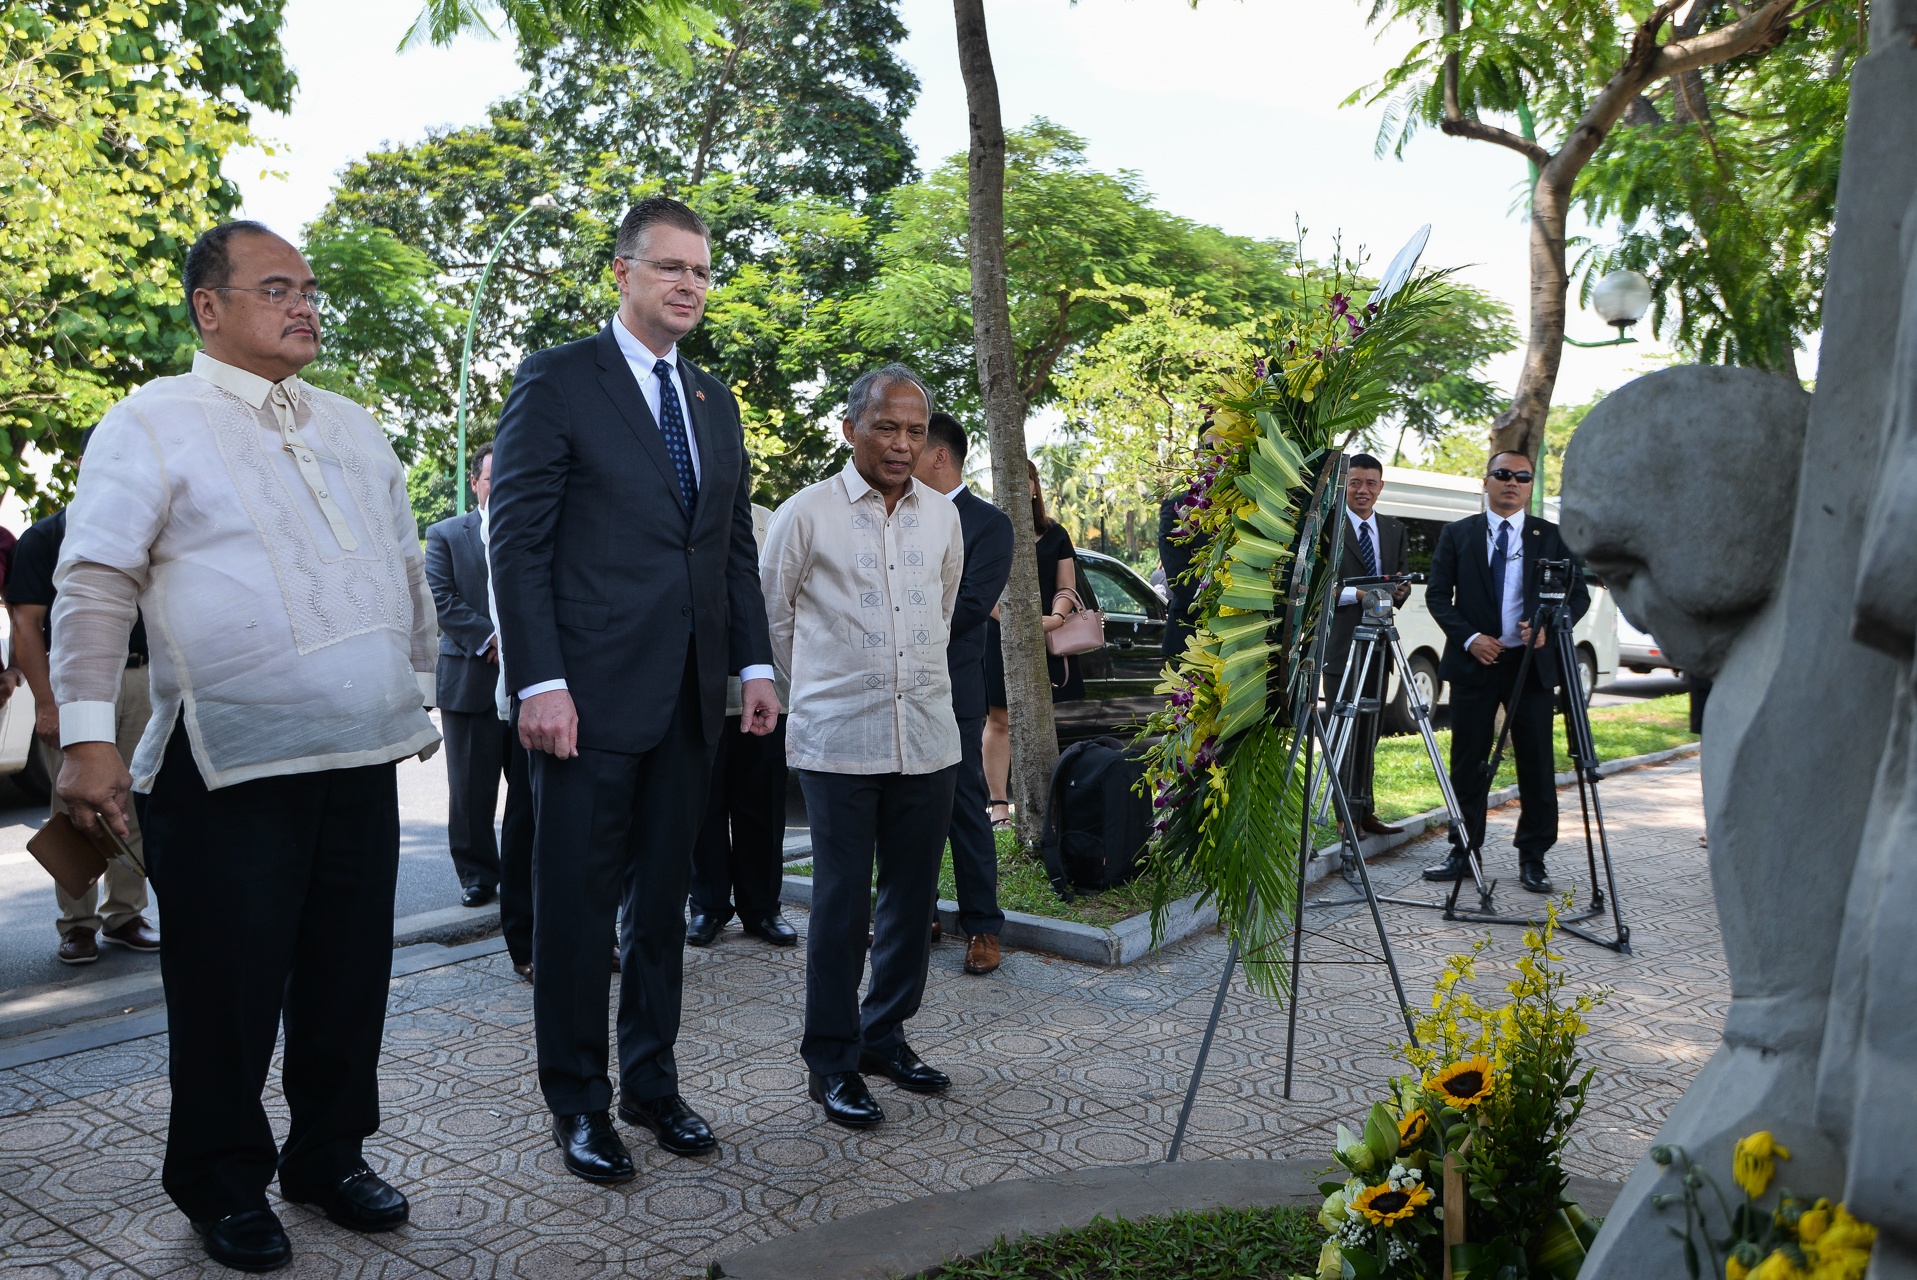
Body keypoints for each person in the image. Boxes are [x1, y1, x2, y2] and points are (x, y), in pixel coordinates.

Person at [52, 221, 436, 1271]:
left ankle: (329, 1155)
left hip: (357, 756)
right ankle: (223, 1180)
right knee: (228, 988)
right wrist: (87, 738)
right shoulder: (151, 422)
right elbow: (93, 580)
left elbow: (406, 566)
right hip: (223, 765)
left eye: (310, 289)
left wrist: (416, 691)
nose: (306, 304)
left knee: (348, 976)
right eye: (277, 288)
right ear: (207, 307)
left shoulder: (354, 425)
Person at [488, 196, 779, 1185]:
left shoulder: (712, 402)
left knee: (661, 909)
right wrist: (541, 679)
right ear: (622, 273)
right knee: (575, 914)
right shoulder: (559, 381)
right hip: (585, 705)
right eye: (670, 268)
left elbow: (731, 544)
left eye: (701, 270)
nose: (690, 285)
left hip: (692, 704)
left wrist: (754, 663)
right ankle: (577, 1100)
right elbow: (517, 542)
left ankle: (652, 1081)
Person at [761, 363, 965, 1130]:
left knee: (911, 900)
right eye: (886, 426)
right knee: (842, 908)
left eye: (915, 431)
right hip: (836, 741)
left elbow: (940, 612)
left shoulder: (942, 517)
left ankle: (885, 1035)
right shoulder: (804, 514)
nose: (902, 443)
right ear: (850, 429)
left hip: (925, 737)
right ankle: (832, 1060)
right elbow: (774, 621)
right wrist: (826, 686)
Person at [8, 477, 160, 965]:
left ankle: (125, 914)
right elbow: (24, 624)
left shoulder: (146, 531)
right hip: (71, 682)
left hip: (139, 677)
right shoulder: (46, 536)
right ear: (84, 465)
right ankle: (77, 925)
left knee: (133, 799)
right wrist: (46, 704)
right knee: (75, 804)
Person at [1421, 452, 1590, 893]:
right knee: (1468, 763)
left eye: (1521, 477)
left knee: (1536, 763)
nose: (1511, 482)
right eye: (1502, 475)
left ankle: (1533, 857)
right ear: (1486, 481)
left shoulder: (1552, 537)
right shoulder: (1458, 534)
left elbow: (1578, 599)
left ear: (1530, 485)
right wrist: (1471, 637)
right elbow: (1438, 596)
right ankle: (1463, 849)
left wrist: (1546, 629)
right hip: (1475, 664)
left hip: (1531, 670)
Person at [912, 411, 1013, 976]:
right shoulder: (894, 512)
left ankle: (982, 927)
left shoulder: (989, 524)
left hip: (954, 689)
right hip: (895, 688)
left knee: (963, 808)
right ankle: (914, 913)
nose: (900, 455)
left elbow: (972, 606)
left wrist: (905, 620)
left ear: (940, 455)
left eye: (913, 444)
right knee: (904, 809)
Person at [686, 502, 799, 949]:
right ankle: (708, 906)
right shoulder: (685, 512)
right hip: (700, 687)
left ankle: (763, 908)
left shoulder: (768, 519)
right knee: (703, 805)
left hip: (765, 689)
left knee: (763, 805)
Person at [424, 442, 529, 911]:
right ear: (475, 483)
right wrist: (492, 640)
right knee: (470, 791)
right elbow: (441, 599)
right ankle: (477, 874)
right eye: (491, 479)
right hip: (470, 680)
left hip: (526, 685)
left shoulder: (532, 532)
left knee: (528, 792)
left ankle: (525, 872)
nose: (499, 487)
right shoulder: (446, 534)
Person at [982, 461, 1084, 825]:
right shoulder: (991, 529)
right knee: (1000, 719)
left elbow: (1066, 585)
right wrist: (1014, 623)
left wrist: (1055, 618)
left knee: (1045, 717)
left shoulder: (1055, 533)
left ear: (1034, 486)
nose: (1019, 486)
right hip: (998, 634)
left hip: (1048, 634)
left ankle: (1049, 800)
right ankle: (997, 804)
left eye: (1024, 480)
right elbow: (982, 589)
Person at [1323, 454, 1411, 838]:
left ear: (1381, 486)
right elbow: (1318, 588)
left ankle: (1365, 810)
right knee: (1345, 731)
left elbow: (1399, 583)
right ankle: (1345, 819)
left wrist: (1399, 591)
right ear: (1344, 484)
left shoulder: (1393, 529)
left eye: (1371, 483)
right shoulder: (1326, 528)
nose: (1363, 490)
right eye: (1355, 482)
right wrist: (1357, 595)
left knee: (1371, 731)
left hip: (1379, 646)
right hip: (1340, 646)